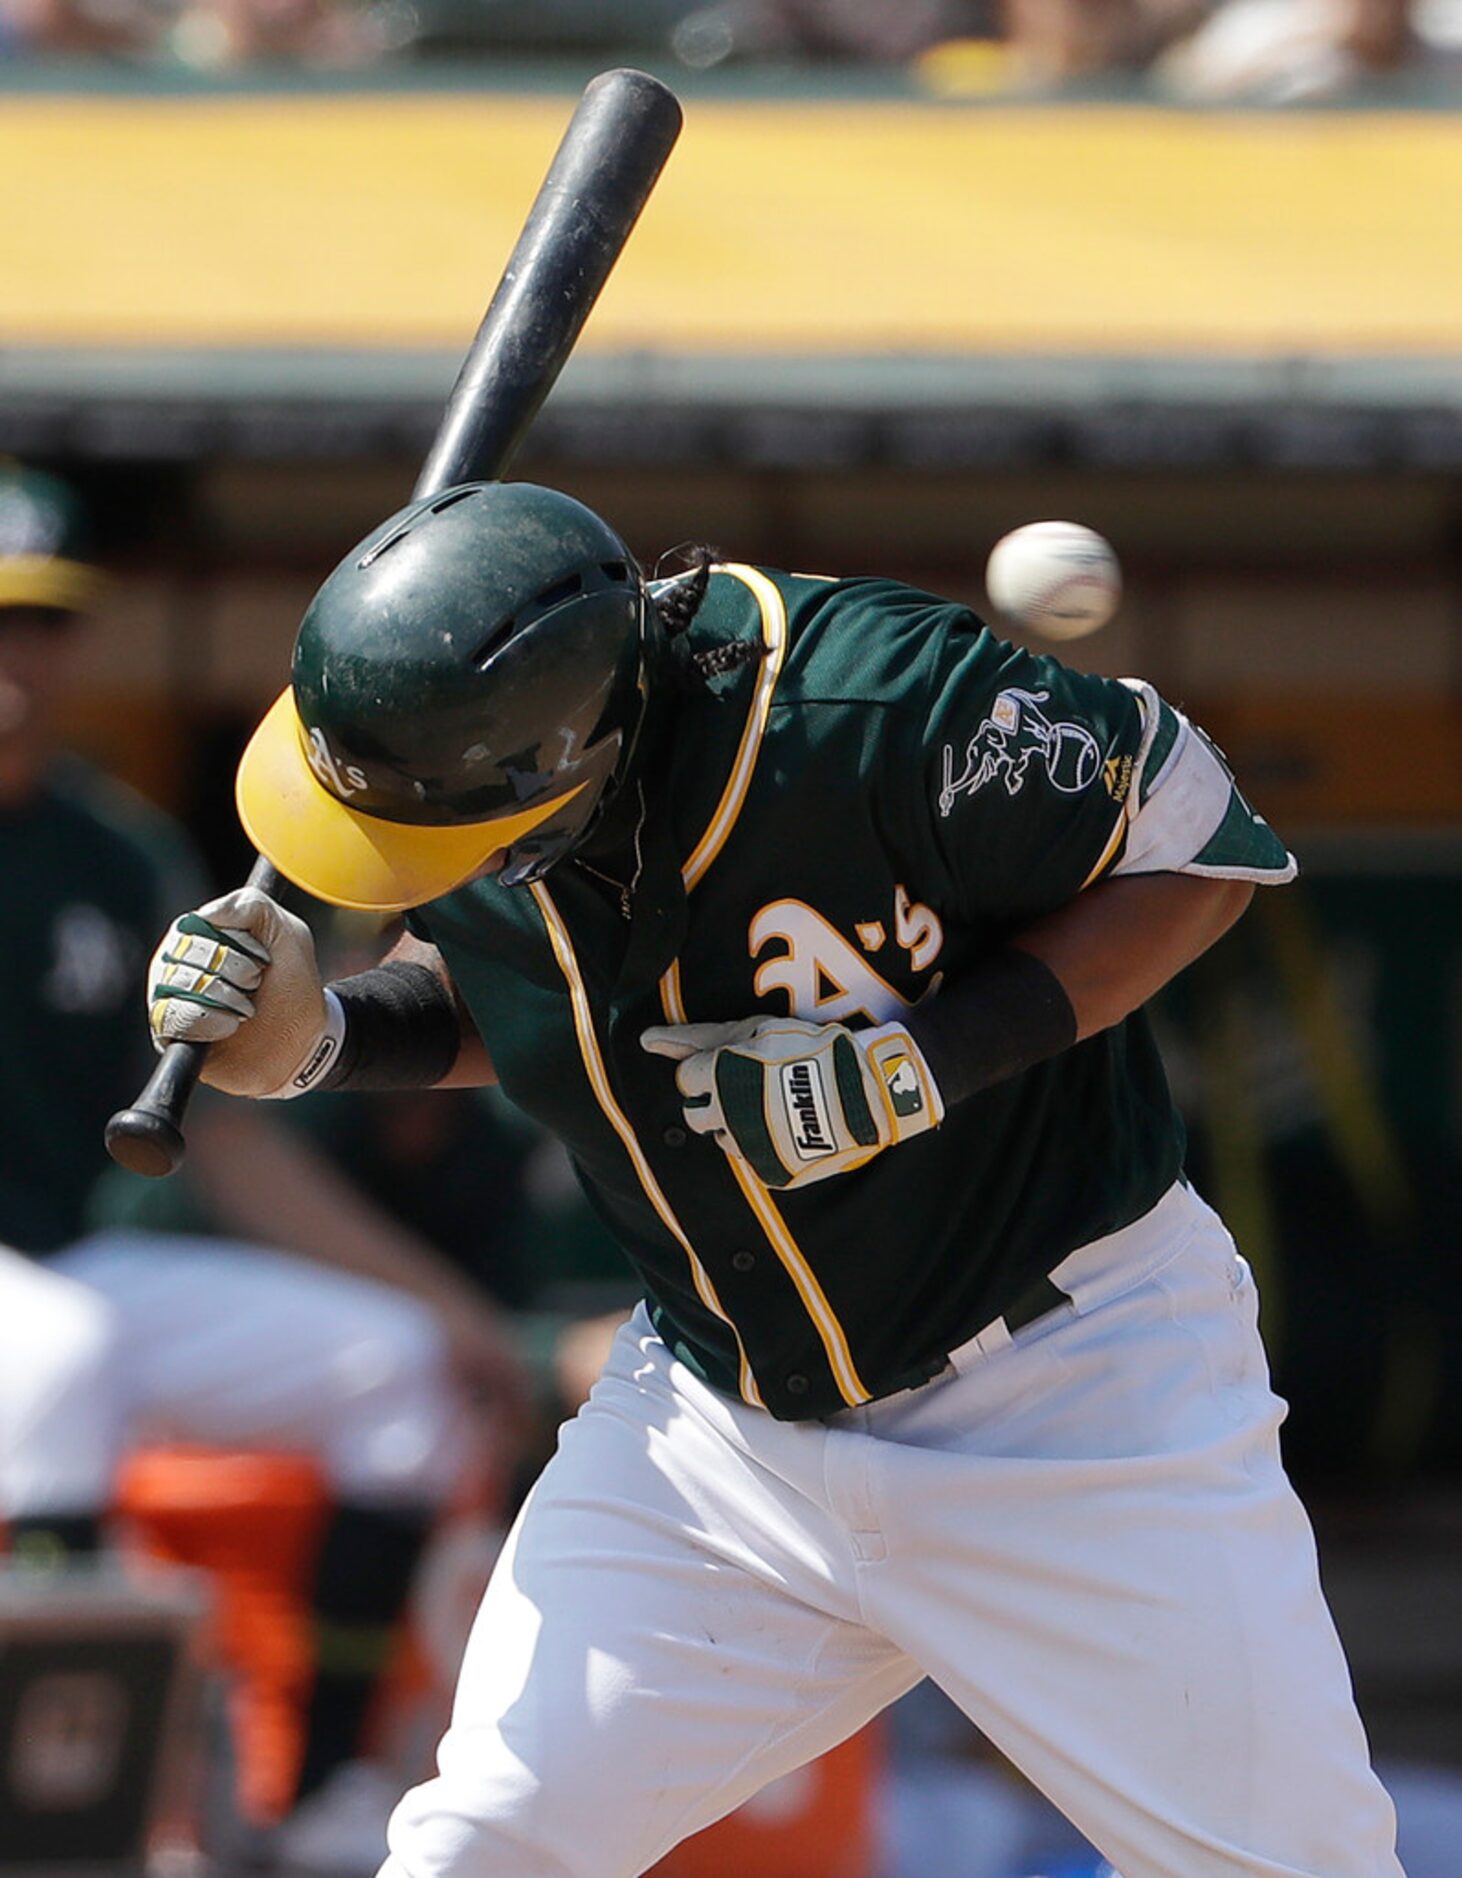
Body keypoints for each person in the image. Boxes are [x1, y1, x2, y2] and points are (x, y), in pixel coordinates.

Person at [147, 480, 1405, 1878]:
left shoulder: (874, 704)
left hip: (1069, 1395)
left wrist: (916, 1063)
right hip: (713, 1429)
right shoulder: (479, 769)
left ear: (578, 754)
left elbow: (1201, 840)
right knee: (482, 1845)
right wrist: (324, 1037)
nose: (421, 874)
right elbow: (526, 988)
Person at [0, 463, 528, 1873]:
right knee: (52, 1355)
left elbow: (220, 1129)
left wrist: (449, 1304)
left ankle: (320, 1802)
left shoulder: (106, 854)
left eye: (37, 621)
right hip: (35, 1312)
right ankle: (64, 1819)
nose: (14, 658)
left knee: (399, 1369)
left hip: (59, 1257)